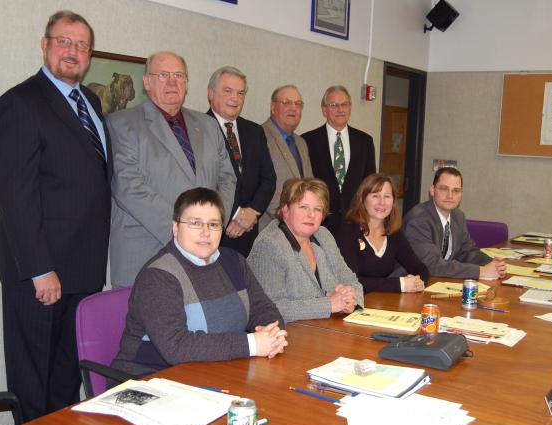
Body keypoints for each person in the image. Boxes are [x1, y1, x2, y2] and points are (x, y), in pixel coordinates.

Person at [0, 10, 111, 421]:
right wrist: (40, 269)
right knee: (32, 381)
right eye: (64, 41)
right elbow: (15, 196)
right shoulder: (19, 103)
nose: (72, 52)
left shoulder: (91, 102)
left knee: (64, 380)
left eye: (81, 45)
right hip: (41, 275)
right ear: (45, 44)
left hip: (83, 271)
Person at [111, 188, 287, 378]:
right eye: (195, 223)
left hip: (215, 372)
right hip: (150, 380)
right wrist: (252, 344)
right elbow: (177, 347)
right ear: (175, 227)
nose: (205, 233)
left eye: (213, 224)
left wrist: (272, 333)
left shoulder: (234, 262)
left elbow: (262, 307)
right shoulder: (158, 276)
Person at [107, 51, 236, 288]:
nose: (172, 81)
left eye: (179, 75)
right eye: (163, 75)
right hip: (147, 251)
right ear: (146, 82)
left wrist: (210, 226)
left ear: (186, 83)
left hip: (202, 255)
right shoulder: (121, 123)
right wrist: (186, 230)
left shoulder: (207, 125)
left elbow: (227, 179)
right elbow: (127, 187)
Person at [248, 178, 363, 323]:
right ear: (285, 209)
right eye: (303, 207)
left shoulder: (323, 235)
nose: (311, 215)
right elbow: (268, 308)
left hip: (330, 329)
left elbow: (351, 280)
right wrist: (328, 304)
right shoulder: (269, 245)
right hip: (289, 337)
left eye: (317, 209)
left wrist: (351, 299)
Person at [206, 66, 276, 256]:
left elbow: (269, 179)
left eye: (240, 93)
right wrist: (236, 213)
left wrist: (252, 212)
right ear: (211, 94)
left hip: (250, 232)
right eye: (227, 91)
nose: (235, 98)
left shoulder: (254, 131)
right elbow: (205, 182)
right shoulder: (199, 130)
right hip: (216, 232)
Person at [403, 167, 506, 279]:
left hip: (440, 281)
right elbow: (431, 265)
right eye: (444, 189)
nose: (450, 196)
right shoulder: (418, 220)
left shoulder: (458, 216)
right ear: (432, 190)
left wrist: (493, 263)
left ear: (461, 194)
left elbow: (468, 252)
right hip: (410, 285)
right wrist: (481, 271)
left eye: (456, 190)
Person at [302, 85, 375, 237]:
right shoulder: (307, 141)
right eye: (334, 105)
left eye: (345, 104)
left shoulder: (365, 141)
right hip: (319, 223)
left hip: (355, 222)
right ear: (324, 110)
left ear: (350, 108)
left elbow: (370, 183)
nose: (340, 109)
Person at [338, 174, 428, 294]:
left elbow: (419, 268)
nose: (382, 202)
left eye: (387, 196)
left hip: (380, 303)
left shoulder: (393, 233)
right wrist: (400, 284)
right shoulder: (348, 232)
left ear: (393, 201)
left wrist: (418, 281)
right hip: (353, 306)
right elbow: (351, 282)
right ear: (363, 199)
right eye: (375, 196)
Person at [260, 85, 313, 229]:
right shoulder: (259, 136)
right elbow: (260, 187)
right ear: (273, 107)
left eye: (298, 104)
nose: (293, 108)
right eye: (287, 103)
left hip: (300, 228)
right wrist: (290, 216)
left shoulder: (301, 143)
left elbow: (310, 185)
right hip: (272, 227)